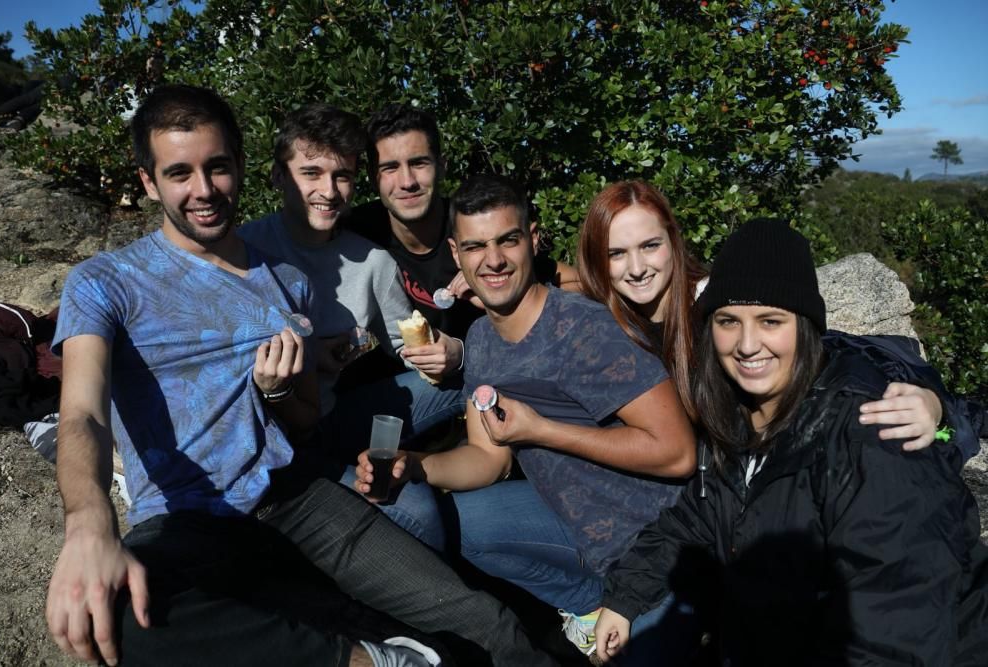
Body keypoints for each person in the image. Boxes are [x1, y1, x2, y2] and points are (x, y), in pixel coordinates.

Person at [44, 84, 556, 667]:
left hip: (296, 498)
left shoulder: (288, 279)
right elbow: (81, 411)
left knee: (480, 621)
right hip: (185, 516)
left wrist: (279, 392)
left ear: (238, 166)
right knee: (119, 615)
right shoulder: (104, 281)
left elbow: (307, 416)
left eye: (217, 168)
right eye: (179, 173)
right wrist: (88, 522)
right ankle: (368, 660)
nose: (204, 190)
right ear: (148, 181)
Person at [595, 218, 988, 665]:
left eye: (770, 321)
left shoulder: (870, 436)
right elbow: (692, 520)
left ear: (804, 325)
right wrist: (624, 598)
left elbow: (893, 629)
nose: (746, 344)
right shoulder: (741, 421)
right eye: (728, 320)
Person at [356, 174, 697, 661]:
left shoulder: (583, 328)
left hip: (653, 545)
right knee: (458, 521)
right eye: (475, 246)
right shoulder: (480, 341)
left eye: (507, 241)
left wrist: (543, 431)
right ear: (456, 254)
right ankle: (586, 606)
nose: (492, 261)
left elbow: (678, 453)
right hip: (572, 529)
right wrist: (412, 465)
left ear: (532, 240)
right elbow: (486, 458)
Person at [577, 180, 973, 452]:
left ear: (673, 242)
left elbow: (823, 363)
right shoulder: (606, 320)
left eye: (650, 246)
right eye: (616, 253)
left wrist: (935, 406)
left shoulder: (718, 305)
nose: (637, 267)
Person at [238, 103, 464, 459]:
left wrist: (452, 353)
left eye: (342, 176)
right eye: (311, 173)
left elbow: (401, 342)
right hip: (253, 434)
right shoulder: (242, 250)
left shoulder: (374, 262)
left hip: (329, 422)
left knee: (419, 506)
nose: (328, 191)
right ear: (278, 177)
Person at [346, 104, 580, 346]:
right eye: (390, 168)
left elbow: (581, 283)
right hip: (402, 373)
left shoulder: (474, 226)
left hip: (482, 366)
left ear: (441, 167)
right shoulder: (356, 231)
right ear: (373, 177)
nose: (407, 181)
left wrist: (493, 281)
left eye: (419, 163)